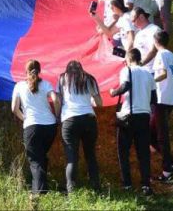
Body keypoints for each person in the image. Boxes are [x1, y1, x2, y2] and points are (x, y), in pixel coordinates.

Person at [109, 48, 155, 195]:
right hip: (144, 116)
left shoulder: (127, 70)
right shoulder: (148, 73)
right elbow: (154, 98)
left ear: (128, 59)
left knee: (123, 151)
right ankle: (146, 185)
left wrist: (113, 92)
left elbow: (126, 86)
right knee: (143, 153)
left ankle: (127, 184)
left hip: (129, 116)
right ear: (139, 59)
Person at [11, 59, 60, 196]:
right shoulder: (46, 84)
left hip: (31, 126)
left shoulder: (19, 86)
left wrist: (24, 118)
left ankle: (38, 193)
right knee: (41, 157)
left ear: (25, 71)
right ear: (39, 71)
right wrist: (56, 116)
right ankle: (42, 189)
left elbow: (14, 108)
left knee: (35, 160)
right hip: (49, 126)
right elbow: (56, 99)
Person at [57, 60, 102, 193]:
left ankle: (71, 192)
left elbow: (59, 101)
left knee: (71, 158)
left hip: (69, 120)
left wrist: (58, 116)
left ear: (67, 70)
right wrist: (90, 101)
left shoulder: (62, 79)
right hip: (88, 119)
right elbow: (99, 103)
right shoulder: (89, 78)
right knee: (91, 155)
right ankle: (97, 188)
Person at [151, 30, 173, 183]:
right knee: (151, 133)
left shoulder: (161, 55)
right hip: (171, 97)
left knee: (161, 135)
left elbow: (163, 74)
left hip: (162, 97)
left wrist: (149, 81)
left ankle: (167, 172)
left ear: (155, 41)